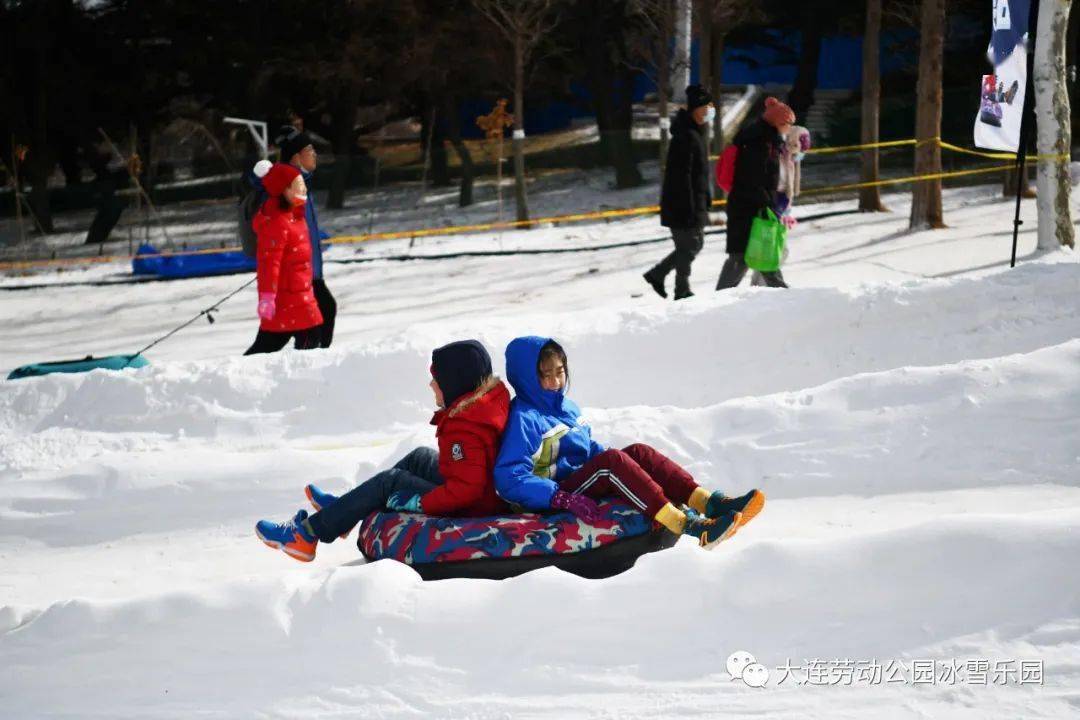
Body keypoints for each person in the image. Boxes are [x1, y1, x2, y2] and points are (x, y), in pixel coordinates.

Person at [494, 336, 765, 550]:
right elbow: (509, 477)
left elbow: (586, 449)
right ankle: (691, 526)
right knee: (611, 464)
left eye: (560, 371)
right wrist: (559, 496)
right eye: (546, 375)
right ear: (528, 378)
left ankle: (710, 503)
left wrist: (612, 458)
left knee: (638, 453)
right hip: (554, 495)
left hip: (576, 480)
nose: (556, 381)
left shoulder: (567, 408)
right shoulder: (524, 419)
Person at [255, 340, 510, 562]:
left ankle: (306, 535)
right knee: (420, 457)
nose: (431, 384)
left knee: (390, 483)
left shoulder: (465, 429)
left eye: (437, 379)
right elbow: (470, 475)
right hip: (483, 491)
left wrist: (421, 502)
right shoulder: (482, 405)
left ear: (455, 384)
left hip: (475, 507)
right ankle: (346, 509)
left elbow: (467, 490)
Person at [244, 162, 324, 354]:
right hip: (285, 299)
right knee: (306, 341)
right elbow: (268, 262)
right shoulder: (277, 222)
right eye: (297, 186)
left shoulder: (295, 217)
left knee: (273, 345)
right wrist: (267, 297)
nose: (303, 189)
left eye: (302, 185)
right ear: (283, 191)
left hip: (300, 295)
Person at [644, 84, 715, 301]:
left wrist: (707, 197)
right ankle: (681, 289)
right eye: (707, 106)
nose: (711, 110)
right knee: (690, 245)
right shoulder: (685, 136)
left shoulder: (696, 133)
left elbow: (699, 174)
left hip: (695, 201)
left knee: (693, 245)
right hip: (683, 204)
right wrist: (690, 207)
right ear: (696, 108)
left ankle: (659, 274)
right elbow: (681, 177)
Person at [716, 96, 795, 290]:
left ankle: (783, 294)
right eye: (789, 124)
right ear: (779, 122)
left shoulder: (764, 140)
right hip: (748, 208)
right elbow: (754, 179)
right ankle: (716, 301)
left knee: (759, 255)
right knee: (742, 257)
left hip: (750, 206)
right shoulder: (759, 143)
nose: (790, 129)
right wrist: (768, 205)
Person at [277, 125, 336, 347]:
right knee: (310, 329)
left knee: (323, 313)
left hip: (309, 271)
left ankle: (314, 364)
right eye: (310, 149)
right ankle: (307, 370)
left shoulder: (299, 183)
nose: (315, 154)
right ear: (296, 156)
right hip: (298, 272)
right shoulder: (286, 184)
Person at [751, 125, 810, 287]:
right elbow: (779, 185)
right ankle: (768, 285)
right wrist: (779, 209)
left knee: (770, 251)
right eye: (799, 150)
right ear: (792, 144)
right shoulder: (780, 158)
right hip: (773, 207)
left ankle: (758, 286)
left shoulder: (790, 160)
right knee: (777, 251)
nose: (800, 155)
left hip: (780, 208)